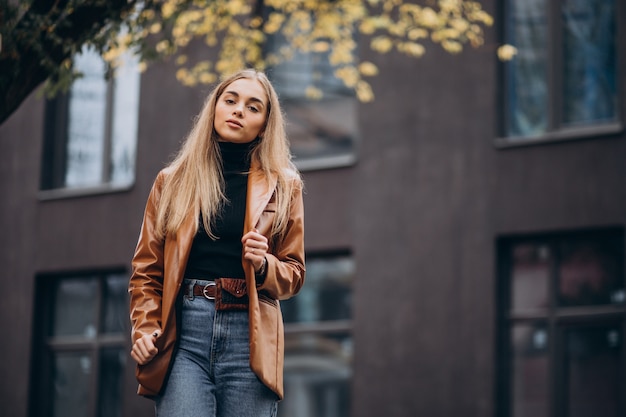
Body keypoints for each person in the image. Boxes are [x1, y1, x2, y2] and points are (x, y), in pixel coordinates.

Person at [128, 69, 305, 417]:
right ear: (214, 109)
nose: (239, 110)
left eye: (254, 107)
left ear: (265, 124)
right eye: (231, 100)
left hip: (250, 337)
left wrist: (265, 264)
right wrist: (146, 328)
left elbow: (295, 274)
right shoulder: (172, 181)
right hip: (183, 335)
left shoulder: (285, 187)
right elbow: (146, 270)